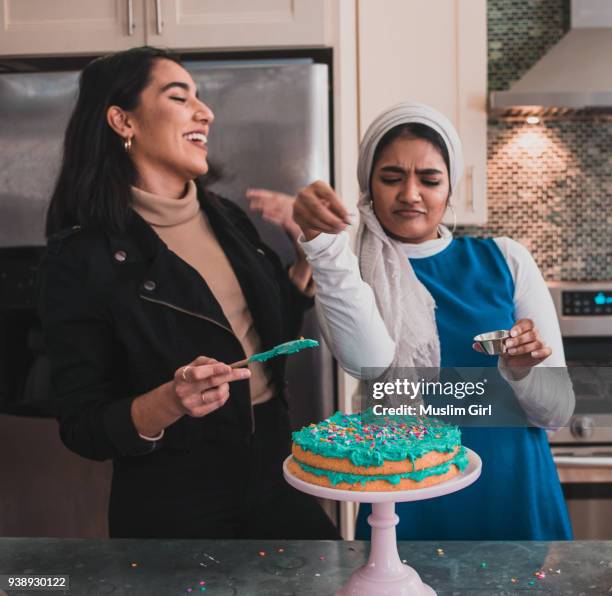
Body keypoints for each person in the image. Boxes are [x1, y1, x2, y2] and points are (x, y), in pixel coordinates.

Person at [37, 46, 339, 540]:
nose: (206, 112)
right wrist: (169, 401)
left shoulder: (229, 220)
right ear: (122, 120)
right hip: (174, 495)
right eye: (180, 98)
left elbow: (262, 342)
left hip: (277, 466)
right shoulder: (78, 258)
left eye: (199, 98)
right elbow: (82, 424)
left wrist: (304, 254)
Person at [266, 102, 574, 540]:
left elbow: (555, 413)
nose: (410, 194)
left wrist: (523, 372)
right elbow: (368, 361)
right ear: (368, 187)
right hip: (404, 499)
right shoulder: (349, 273)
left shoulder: (505, 259)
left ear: (450, 189)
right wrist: (322, 244)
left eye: (430, 179)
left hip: (512, 488)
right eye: (391, 178)